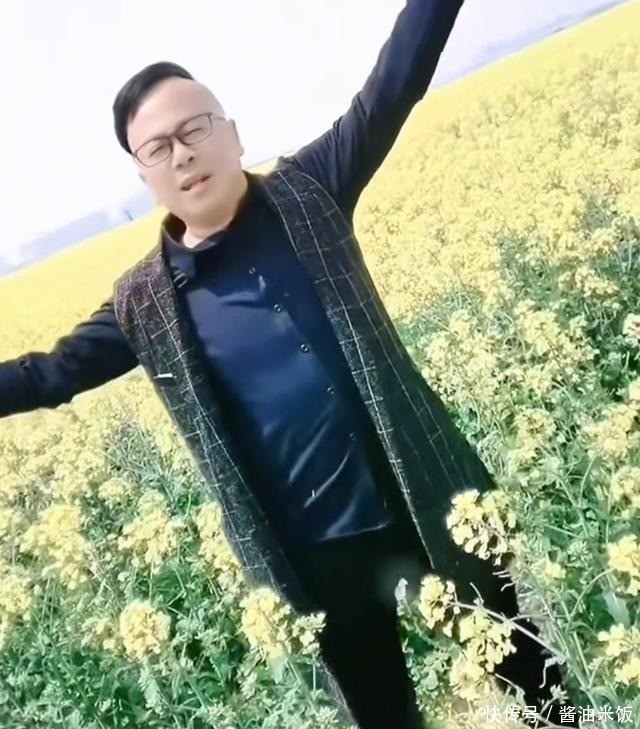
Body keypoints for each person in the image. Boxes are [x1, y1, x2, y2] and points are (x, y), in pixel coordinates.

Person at [0, 2, 577, 727]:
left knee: (540, 685)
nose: (182, 153)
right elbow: (51, 373)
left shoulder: (310, 190)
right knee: (383, 718)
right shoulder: (143, 301)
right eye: (158, 147)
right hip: (316, 559)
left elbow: (393, 84)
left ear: (232, 133)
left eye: (194, 128)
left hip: (423, 497)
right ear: (144, 175)